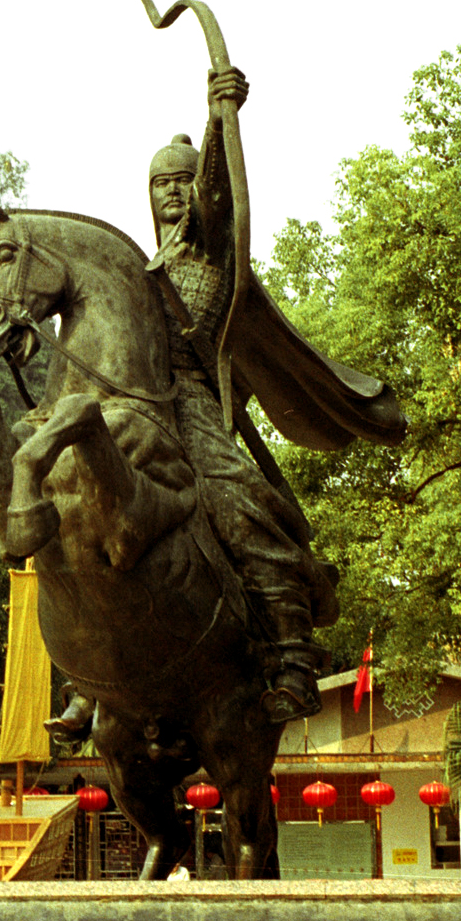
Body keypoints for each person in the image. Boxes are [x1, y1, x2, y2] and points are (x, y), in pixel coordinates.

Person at [143, 67, 330, 722]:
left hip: (194, 406)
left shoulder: (212, 251)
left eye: (179, 182)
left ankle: (294, 659)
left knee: (241, 506)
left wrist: (218, 114)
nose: (171, 194)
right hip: (140, 401)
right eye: (159, 184)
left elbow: (220, 190)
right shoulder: (148, 267)